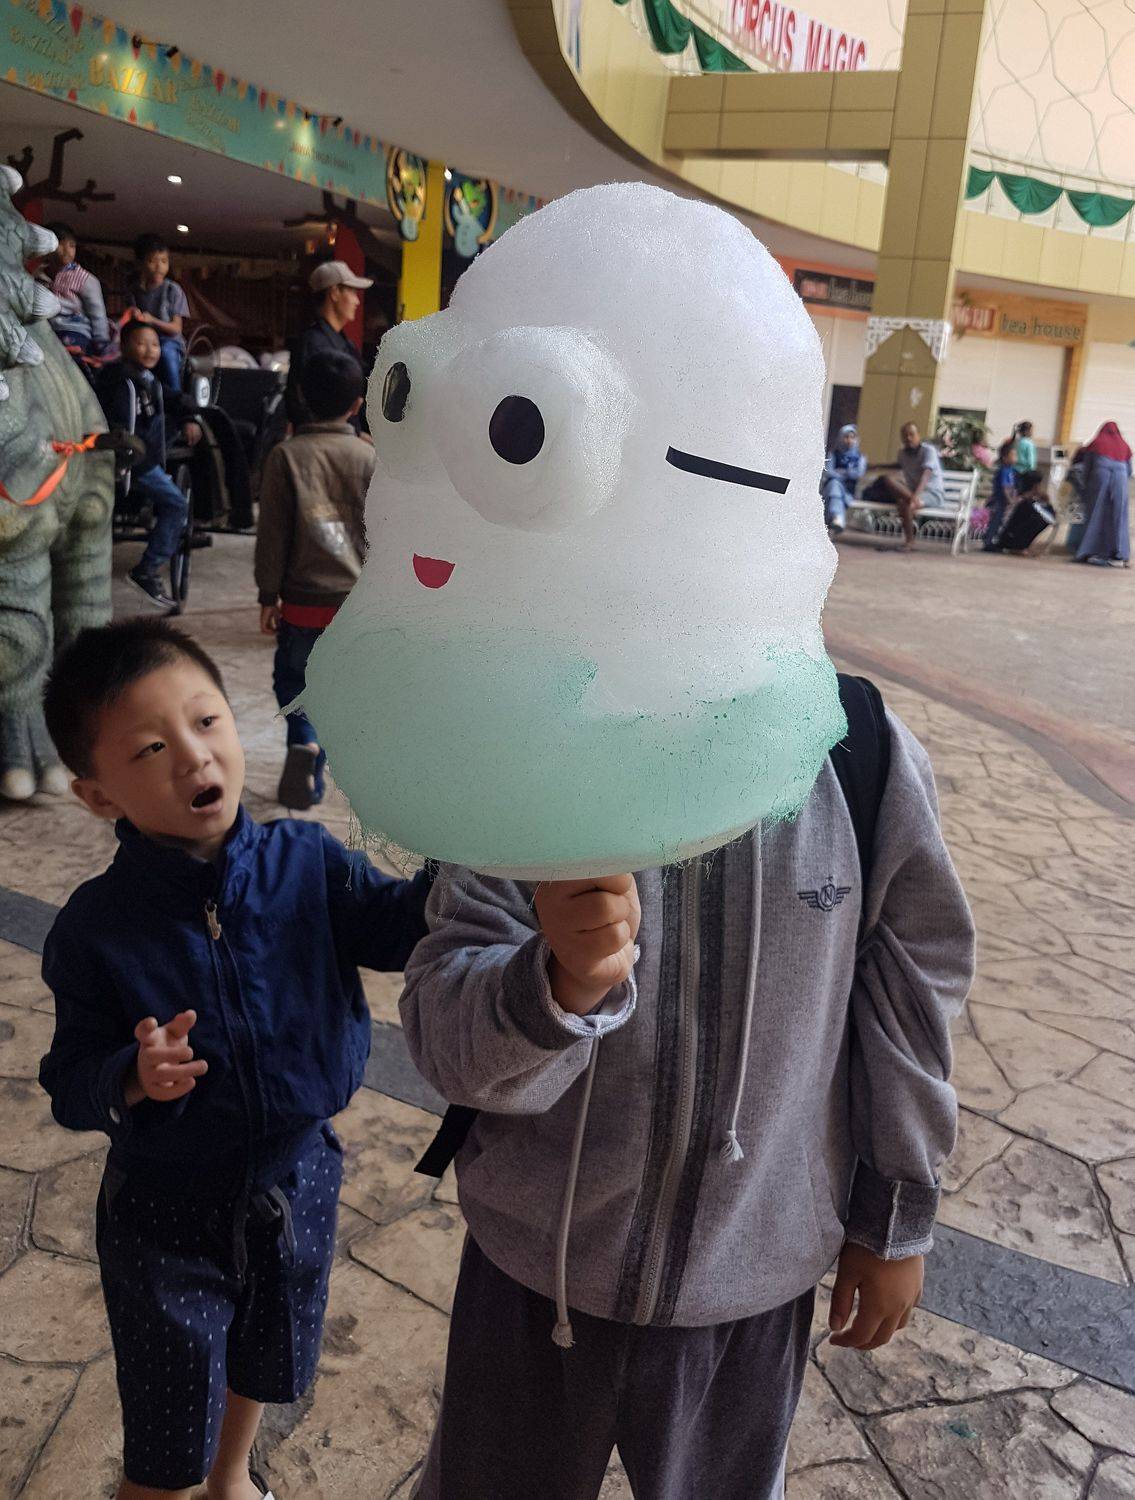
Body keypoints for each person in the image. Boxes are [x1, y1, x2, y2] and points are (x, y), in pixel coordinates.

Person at [401, 694, 975, 1498]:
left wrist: (894, 1221)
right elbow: (446, 1034)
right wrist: (557, 984)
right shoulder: (532, 748)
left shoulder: (856, 750)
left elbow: (910, 994)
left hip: (749, 1280)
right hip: (532, 1272)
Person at [38, 617, 432, 1500]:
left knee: (270, 1351)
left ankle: (232, 1479)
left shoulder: (307, 861)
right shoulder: (95, 930)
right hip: (166, 1210)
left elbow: (399, 927)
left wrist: (460, 859)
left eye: (206, 721)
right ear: (97, 796)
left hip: (301, 1172)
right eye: (150, 748)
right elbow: (67, 1082)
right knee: (166, 1416)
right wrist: (129, 1076)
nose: (193, 756)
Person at [255, 351, 374, 810]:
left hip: (303, 603)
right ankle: (322, 759)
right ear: (357, 404)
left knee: (295, 680)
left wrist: (268, 594)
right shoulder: (369, 457)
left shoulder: (285, 456)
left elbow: (272, 535)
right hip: (355, 604)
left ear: (302, 397)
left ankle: (303, 742)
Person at [97, 318, 201, 610]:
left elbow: (175, 398)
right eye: (141, 343)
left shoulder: (149, 380)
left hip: (142, 459)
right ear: (123, 346)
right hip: (129, 461)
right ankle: (147, 569)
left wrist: (191, 416)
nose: (150, 350)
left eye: (155, 344)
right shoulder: (116, 378)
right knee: (177, 505)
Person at [285, 260, 372, 431]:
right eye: (352, 292)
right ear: (334, 293)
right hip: (324, 438)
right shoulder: (313, 343)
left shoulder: (342, 342)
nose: (357, 301)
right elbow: (302, 404)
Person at [127, 233, 190, 391]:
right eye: (152, 261)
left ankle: (175, 395)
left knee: (167, 354)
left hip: (169, 341)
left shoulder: (172, 290)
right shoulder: (134, 291)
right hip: (143, 340)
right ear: (140, 264)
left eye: (164, 261)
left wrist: (152, 320)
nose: (159, 266)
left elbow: (176, 328)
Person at [875, 421, 946, 550]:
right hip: (913, 493)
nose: (908, 438)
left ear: (918, 435)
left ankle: (909, 542)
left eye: (911, 434)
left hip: (932, 494)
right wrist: (875, 466)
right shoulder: (902, 454)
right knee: (888, 479)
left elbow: (926, 475)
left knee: (906, 504)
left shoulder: (928, 451)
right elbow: (898, 466)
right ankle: (909, 541)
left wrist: (916, 497)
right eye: (905, 436)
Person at [42, 220, 110, 355]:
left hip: (75, 331)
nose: (67, 250)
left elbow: (97, 313)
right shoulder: (38, 275)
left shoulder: (85, 279)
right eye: (61, 244)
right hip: (47, 331)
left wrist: (102, 343)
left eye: (72, 246)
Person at [1076, 421, 1132, 568]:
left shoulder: (1097, 443)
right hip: (1121, 477)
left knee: (1096, 512)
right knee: (1119, 515)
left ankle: (1089, 551)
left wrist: (1085, 485)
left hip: (1100, 475)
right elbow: (1129, 470)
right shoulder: (1124, 445)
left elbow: (1087, 467)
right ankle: (1119, 552)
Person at [821, 423, 867, 536]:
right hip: (831, 488)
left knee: (835, 485)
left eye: (852, 437)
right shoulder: (833, 454)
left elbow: (858, 473)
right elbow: (828, 472)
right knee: (834, 485)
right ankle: (837, 519)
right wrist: (847, 473)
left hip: (848, 491)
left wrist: (840, 473)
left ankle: (836, 518)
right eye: (846, 437)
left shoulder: (860, 457)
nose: (849, 440)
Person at [984, 438, 1018, 550]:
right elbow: (1005, 487)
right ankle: (988, 542)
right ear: (1005, 458)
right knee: (996, 520)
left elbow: (1011, 486)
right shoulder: (1004, 471)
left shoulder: (1011, 470)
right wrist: (1010, 499)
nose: (1015, 458)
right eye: (1012, 455)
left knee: (1000, 521)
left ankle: (994, 540)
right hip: (999, 500)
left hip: (1004, 501)